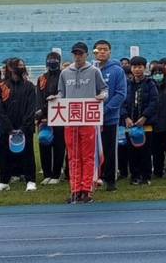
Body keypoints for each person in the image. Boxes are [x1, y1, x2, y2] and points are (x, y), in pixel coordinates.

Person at [57, 43, 108, 203]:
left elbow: (104, 89)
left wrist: (102, 96)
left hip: (88, 119)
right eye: (75, 54)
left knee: (88, 156)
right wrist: (55, 99)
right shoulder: (65, 73)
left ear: (87, 55)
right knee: (73, 156)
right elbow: (61, 93)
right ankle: (75, 190)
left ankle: (87, 189)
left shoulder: (94, 71)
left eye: (81, 54)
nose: (78, 57)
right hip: (71, 120)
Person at [0, 59, 39, 192]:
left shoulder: (29, 86)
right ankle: (4, 181)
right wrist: (9, 127)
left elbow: (31, 107)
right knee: (4, 154)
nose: (21, 67)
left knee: (28, 154)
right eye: (18, 65)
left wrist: (23, 127)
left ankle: (30, 180)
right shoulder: (1, 86)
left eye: (22, 65)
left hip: (25, 127)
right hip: (6, 127)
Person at [92, 41, 128, 192]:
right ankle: (94, 178)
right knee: (92, 150)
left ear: (110, 52)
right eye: (99, 49)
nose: (102, 52)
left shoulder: (117, 71)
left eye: (105, 49)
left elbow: (121, 94)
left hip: (109, 118)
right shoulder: (90, 70)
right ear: (94, 52)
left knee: (110, 150)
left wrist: (105, 110)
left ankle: (110, 179)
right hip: (91, 118)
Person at [123, 56, 158, 185]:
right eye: (134, 67)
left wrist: (144, 117)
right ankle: (134, 175)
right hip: (130, 124)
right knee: (131, 152)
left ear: (145, 68)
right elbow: (122, 102)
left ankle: (146, 176)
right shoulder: (127, 84)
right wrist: (126, 117)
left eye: (140, 67)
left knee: (145, 151)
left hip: (146, 123)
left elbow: (154, 102)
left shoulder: (150, 84)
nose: (137, 69)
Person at [36, 52, 65, 184]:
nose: (52, 62)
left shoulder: (64, 75)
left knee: (59, 145)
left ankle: (56, 174)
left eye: (55, 59)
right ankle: (47, 174)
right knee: (44, 143)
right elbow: (39, 97)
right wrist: (41, 114)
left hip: (60, 115)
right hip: (44, 117)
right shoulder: (42, 78)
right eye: (50, 59)